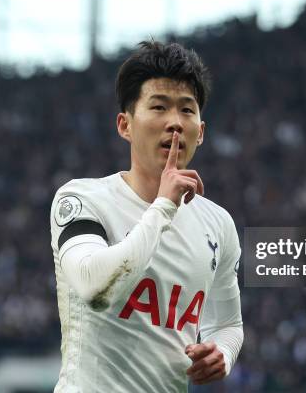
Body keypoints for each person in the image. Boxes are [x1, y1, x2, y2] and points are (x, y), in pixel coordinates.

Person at [49, 40, 243, 392]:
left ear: (200, 131)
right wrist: (164, 206)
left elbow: (227, 323)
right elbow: (94, 285)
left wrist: (223, 353)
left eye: (187, 110)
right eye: (158, 107)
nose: (174, 123)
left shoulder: (218, 224)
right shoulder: (81, 199)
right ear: (125, 125)